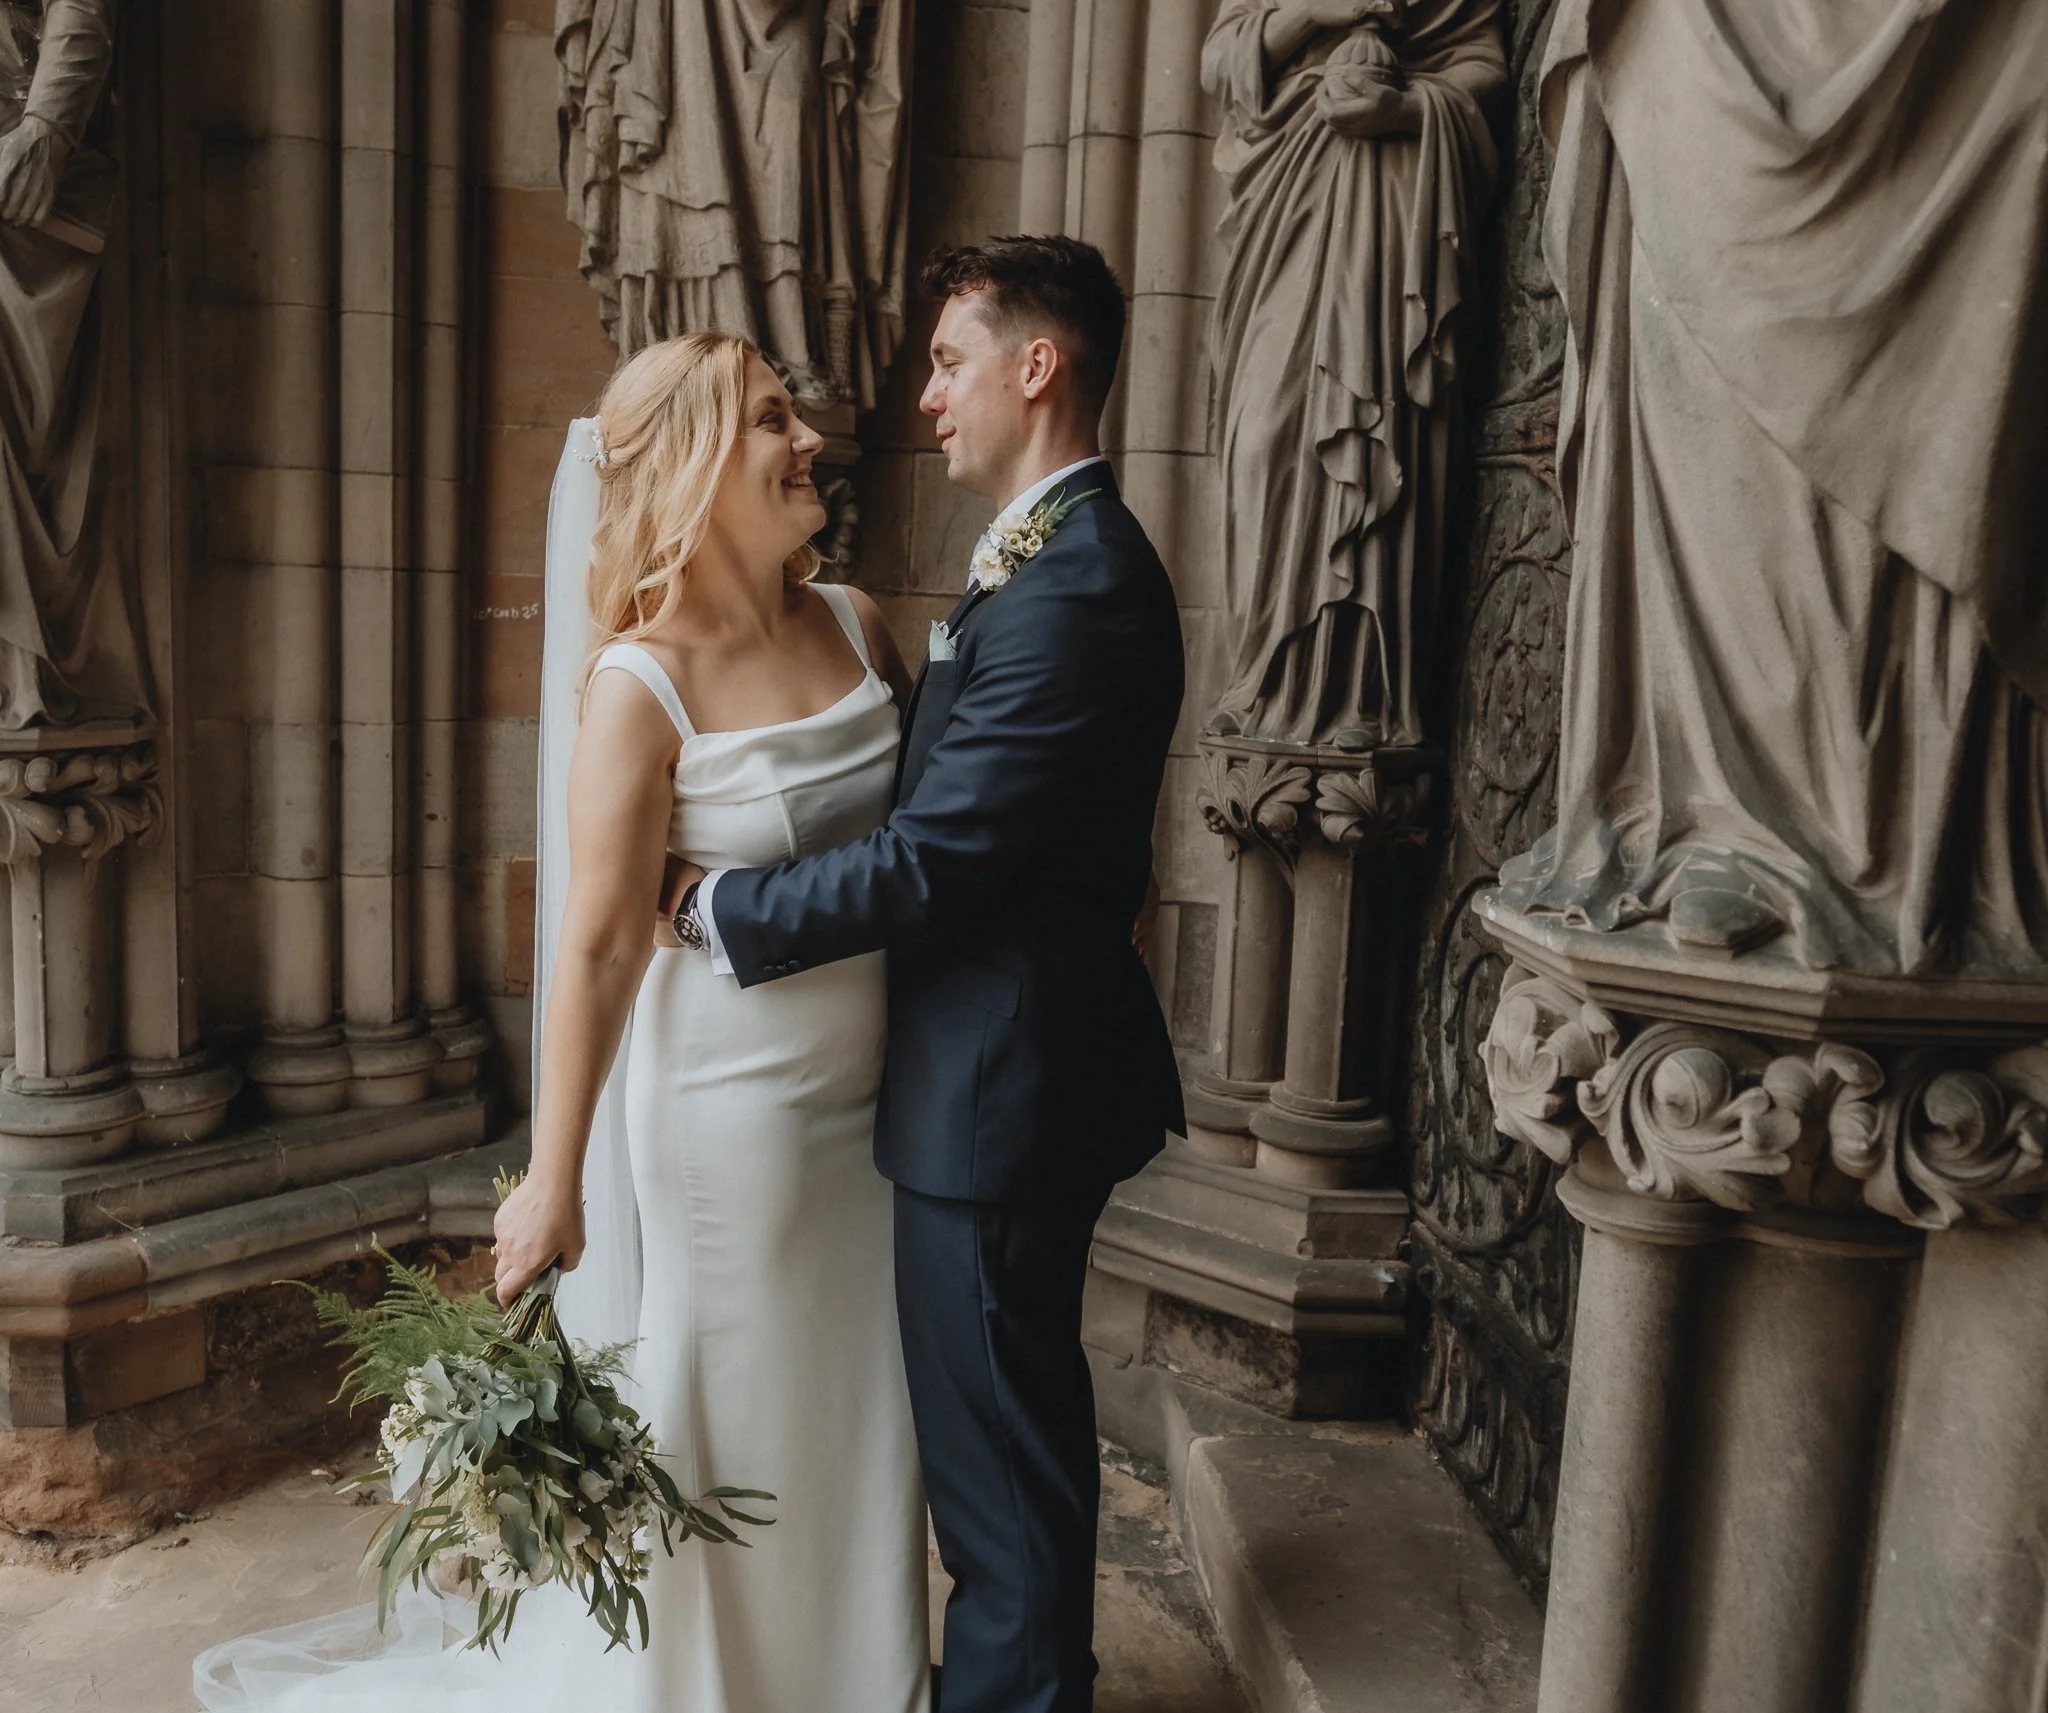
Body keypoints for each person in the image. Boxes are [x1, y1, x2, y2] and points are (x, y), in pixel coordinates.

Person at [197, 333, 932, 1712]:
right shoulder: (635, 688)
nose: (809, 440)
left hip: (879, 1101)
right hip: (734, 1115)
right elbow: (596, 944)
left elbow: (926, 853)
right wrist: (553, 1176)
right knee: (736, 1414)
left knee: (855, 1407)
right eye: (773, 420)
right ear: (696, 469)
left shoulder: (858, 621)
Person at [666, 234, 1187, 1713]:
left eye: (951, 362)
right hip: (998, 1065)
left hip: (997, 1088)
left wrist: (717, 907)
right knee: (1009, 1441)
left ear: (1040, 366)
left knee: (998, 1475)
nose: (929, 399)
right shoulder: (1043, 557)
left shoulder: (1076, 580)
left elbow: (932, 861)